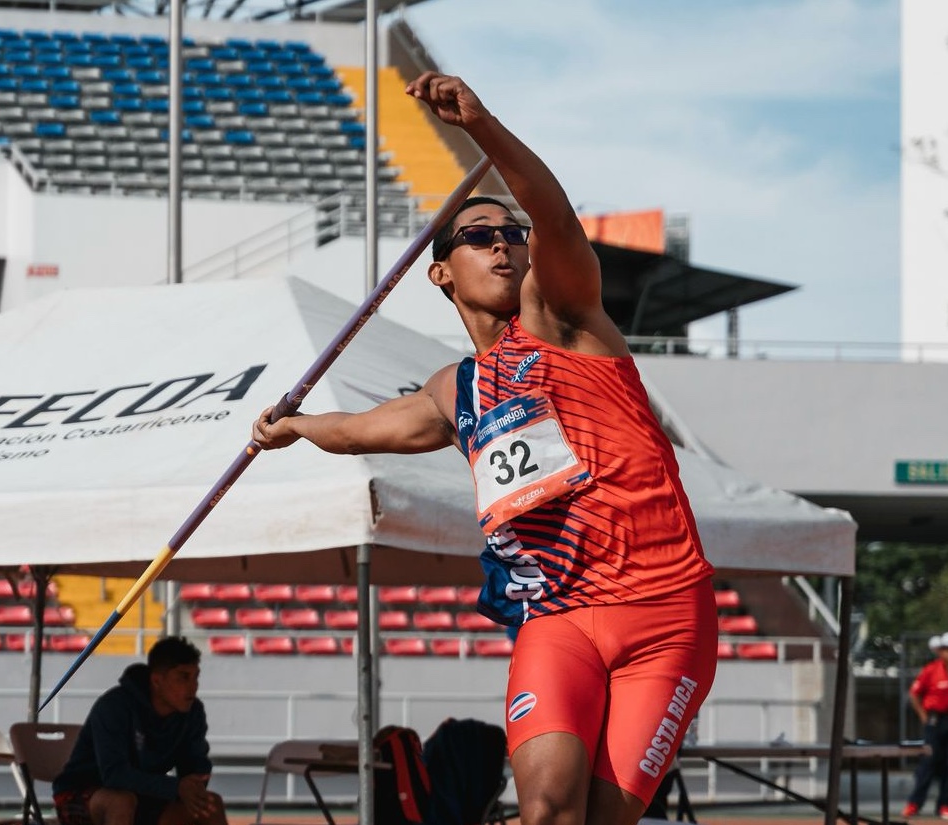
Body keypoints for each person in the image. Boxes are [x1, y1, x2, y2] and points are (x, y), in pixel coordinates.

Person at [252, 72, 718, 825]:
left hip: (665, 613)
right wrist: (295, 427)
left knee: (601, 820)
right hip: (559, 617)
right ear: (441, 271)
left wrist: (483, 127)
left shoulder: (566, 317)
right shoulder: (453, 390)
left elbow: (554, 216)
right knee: (545, 812)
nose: (503, 243)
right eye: (479, 235)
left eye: (511, 234)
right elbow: (365, 430)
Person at [52, 637, 225, 825]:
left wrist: (195, 784)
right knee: (121, 802)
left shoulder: (193, 712)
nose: (193, 686)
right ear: (157, 681)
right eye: (183, 677)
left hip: (141, 794)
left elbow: (194, 765)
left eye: (196, 676)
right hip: (80, 792)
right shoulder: (115, 706)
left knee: (210, 805)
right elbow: (114, 775)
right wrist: (176, 787)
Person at [903, 631, 948, 820]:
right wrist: (924, 716)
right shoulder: (931, 670)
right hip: (935, 721)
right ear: (941, 651)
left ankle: (944, 805)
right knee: (929, 762)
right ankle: (914, 804)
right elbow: (914, 694)